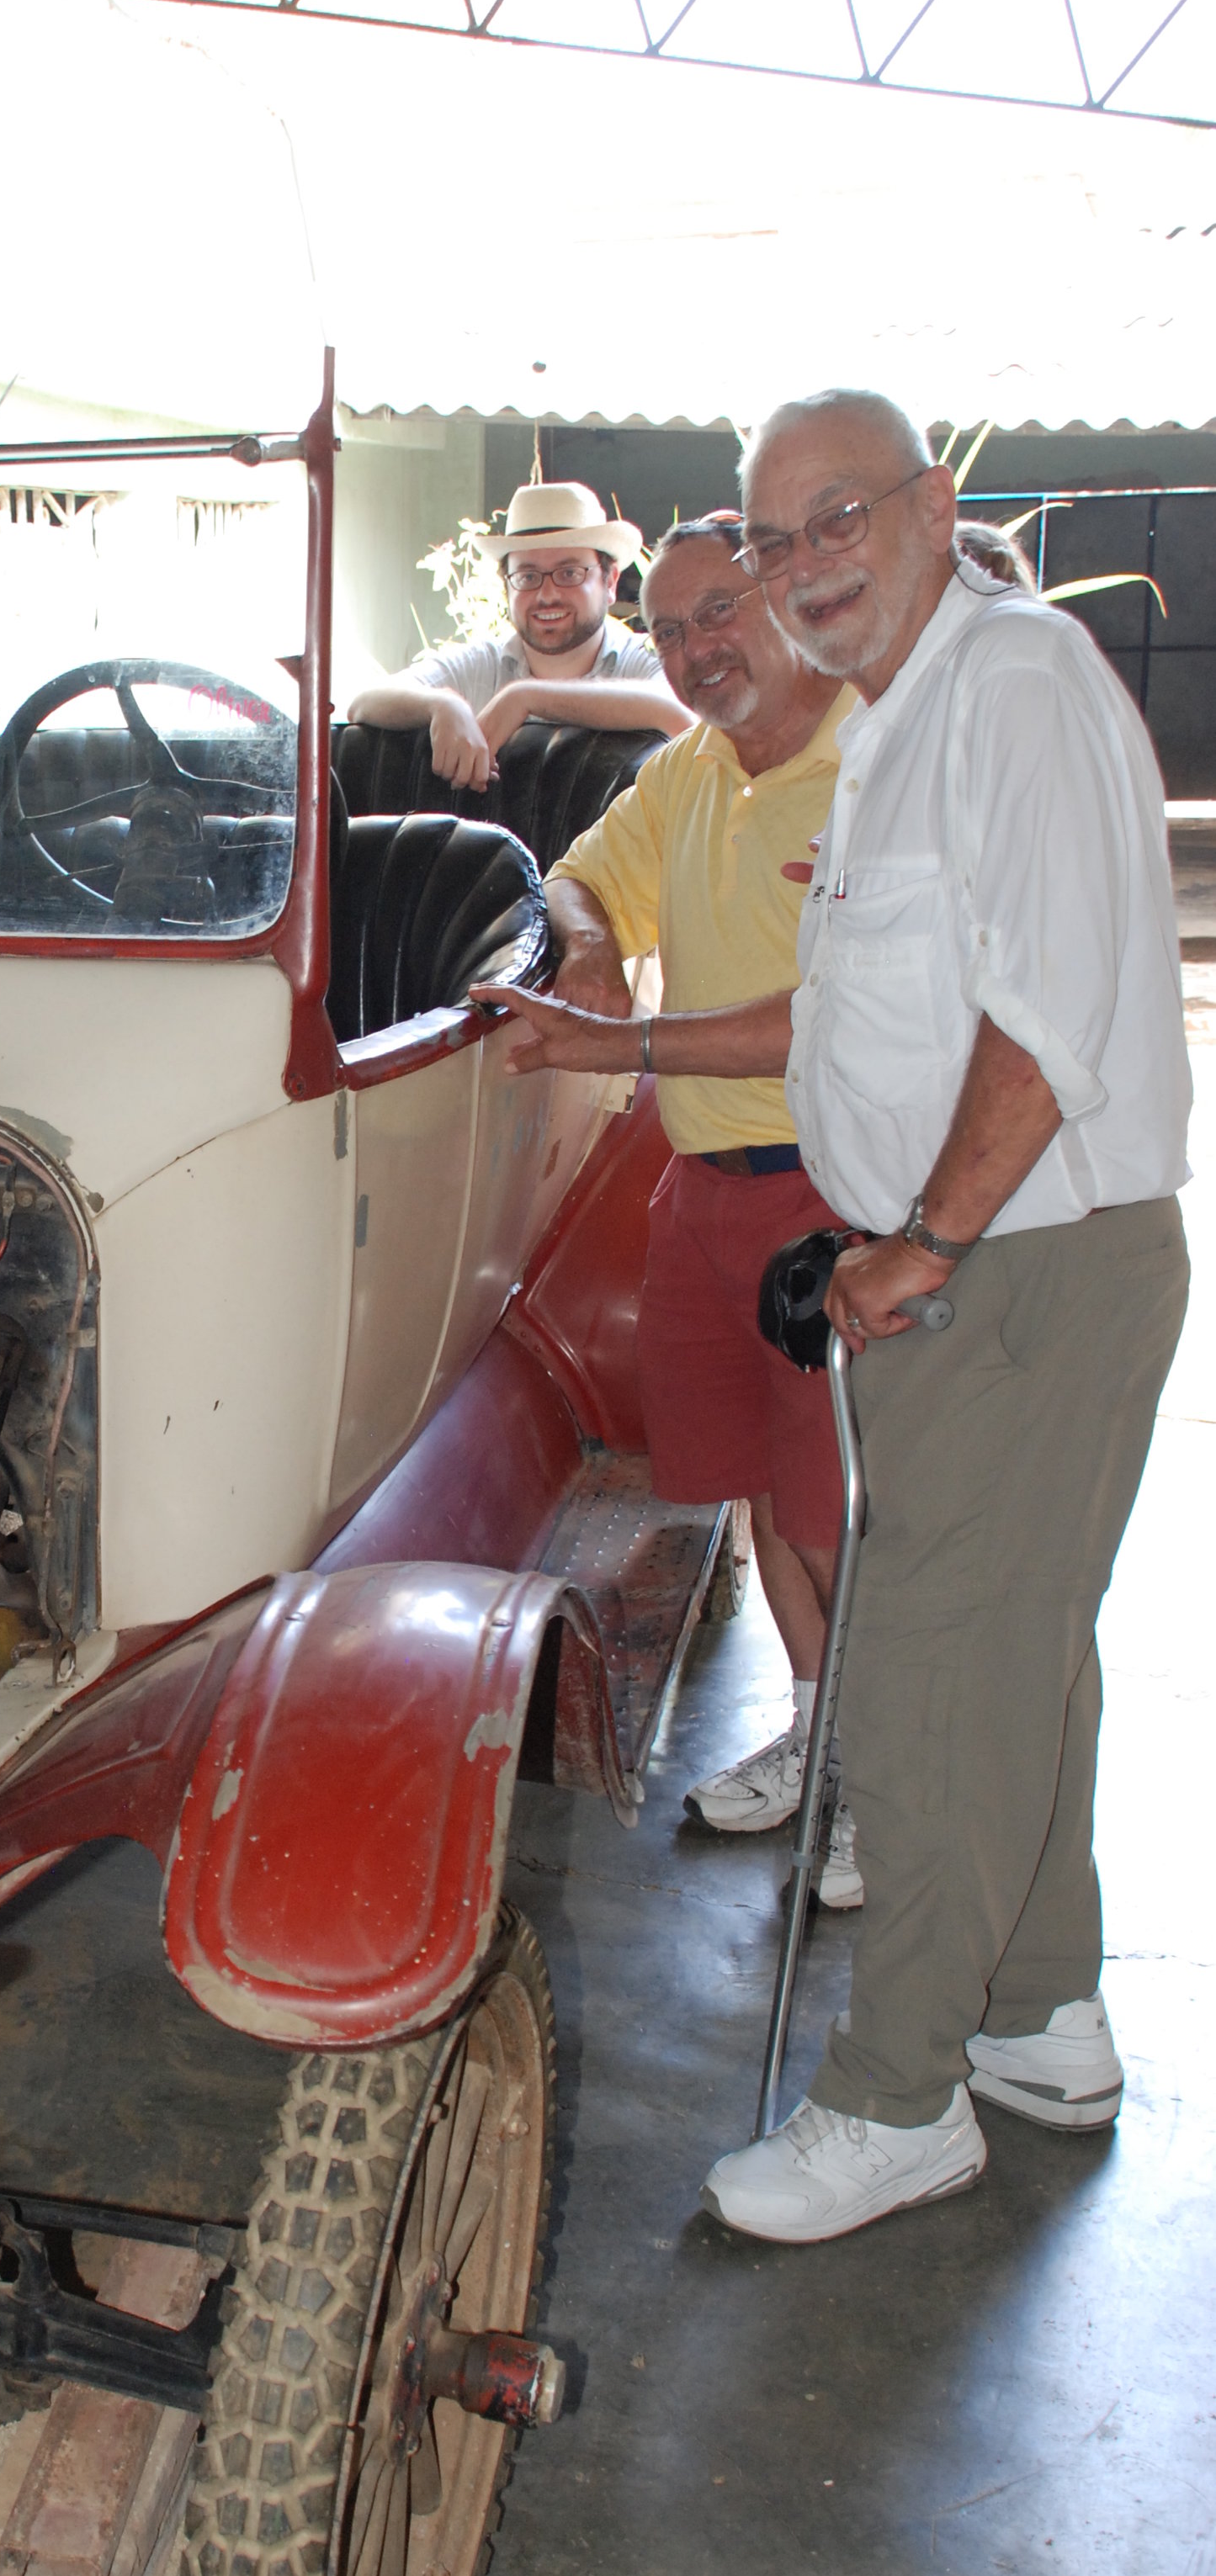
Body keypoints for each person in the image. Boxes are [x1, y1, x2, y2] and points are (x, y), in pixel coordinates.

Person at [487, 386, 1192, 2245]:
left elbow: (1040, 1020)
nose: (798, 569)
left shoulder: (1010, 685)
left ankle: (898, 2101)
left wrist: (922, 1236)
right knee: (1016, 1652)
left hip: (1019, 1259)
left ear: (928, 505)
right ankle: (1040, 2018)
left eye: (830, 522)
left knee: (939, 1679)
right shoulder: (903, 716)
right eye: (767, 534)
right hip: (982, 1250)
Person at [475, 515, 864, 1904]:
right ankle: (823, 1731)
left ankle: (877, 1773)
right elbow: (579, 877)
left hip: (837, 1189)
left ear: (793, 604)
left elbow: (828, 1022)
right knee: (754, 1495)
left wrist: (614, 1043)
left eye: (724, 616)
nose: (699, 651)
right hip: (702, 1185)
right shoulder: (685, 773)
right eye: (681, 625)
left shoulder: (869, 763)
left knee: (836, 1508)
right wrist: (585, 949)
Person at [348, 479, 690, 792]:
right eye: (527, 576)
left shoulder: (642, 661)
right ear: (506, 586)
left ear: (610, 581)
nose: (547, 595)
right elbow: (364, 701)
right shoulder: (481, 664)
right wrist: (441, 704)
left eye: (569, 573)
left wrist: (526, 698)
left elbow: (680, 711)